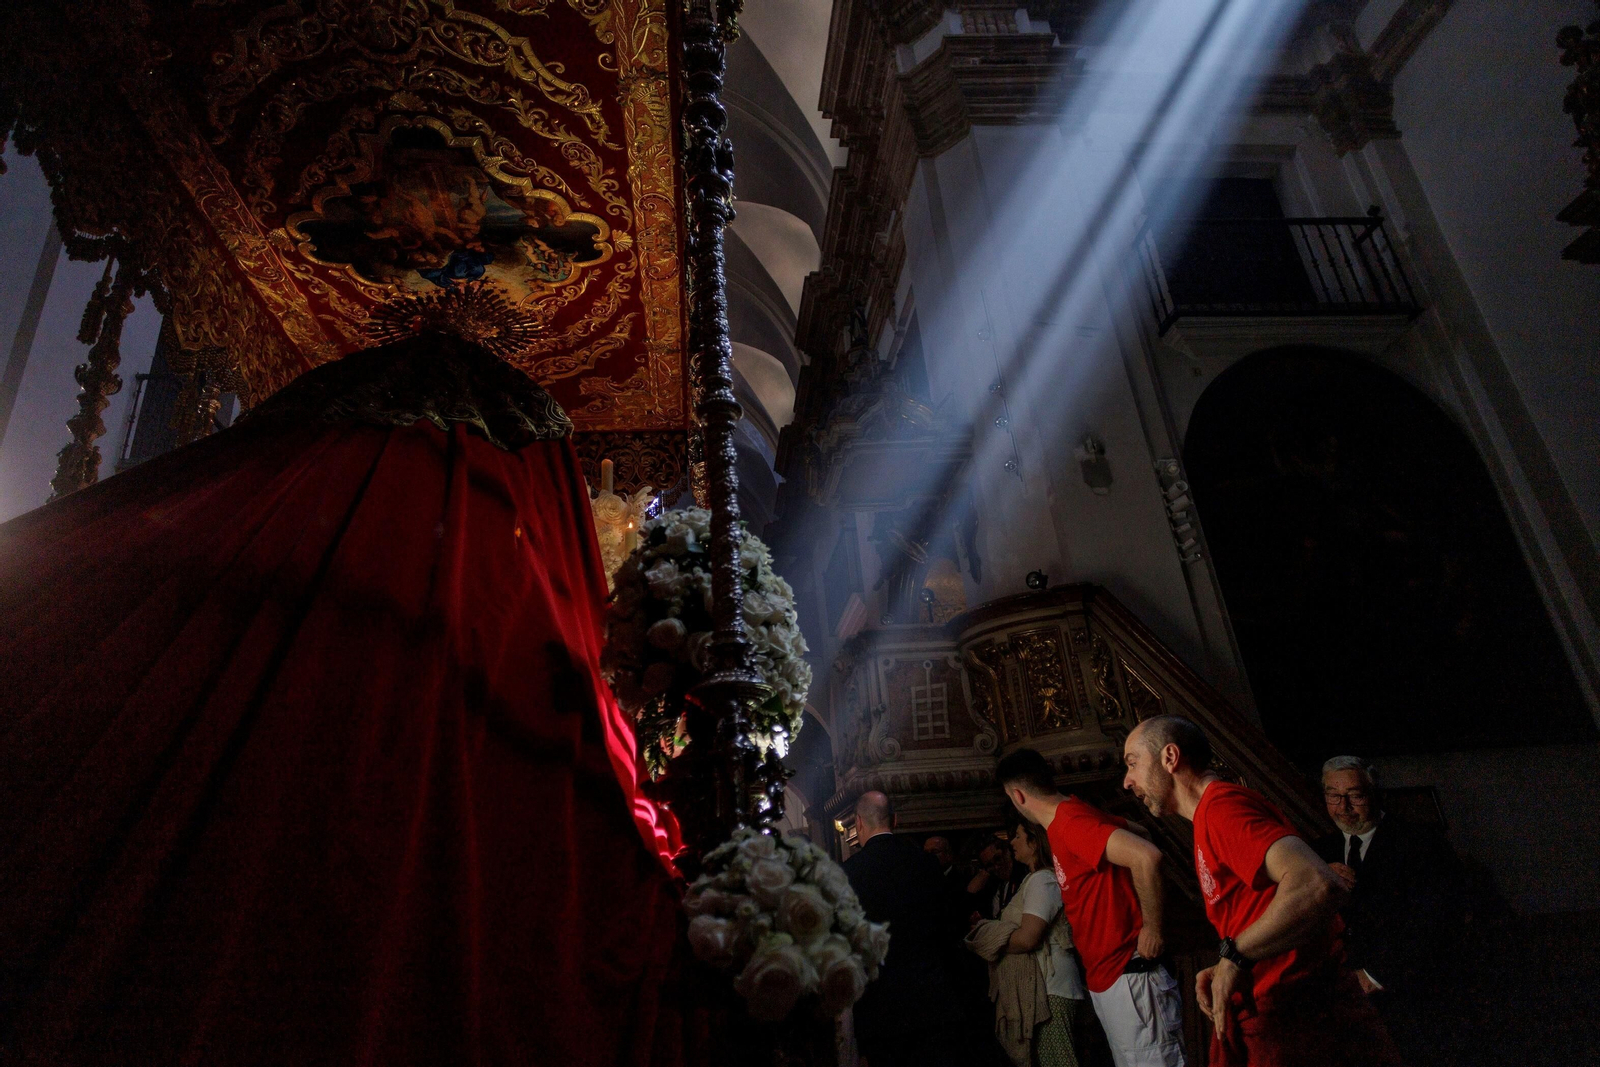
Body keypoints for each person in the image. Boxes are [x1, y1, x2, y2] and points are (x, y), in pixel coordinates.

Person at [1122, 716, 1399, 1067]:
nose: (1127, 780)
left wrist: (1236, 956)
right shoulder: (1209, 816)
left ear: (1170, 757)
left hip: (1302, 1022)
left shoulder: (1223, 809)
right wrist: (1230, 959)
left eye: (1133, 763)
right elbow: (1256, 910)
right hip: (1282, 1016)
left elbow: (1317, 884)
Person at [998, 747, 1186, 1067]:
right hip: (1111, 979)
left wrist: (1152, 929)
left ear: (1017, 795)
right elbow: (1139, 832)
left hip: (1130, 975)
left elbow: (1146, 856)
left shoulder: (1071, 822)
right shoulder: (1071, 814)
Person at [1313, 755, 1467, 1067]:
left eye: (1354, 796)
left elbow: (1436, 919)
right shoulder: (1318, 852)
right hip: (1344, 1002)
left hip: (1412, 996)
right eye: (1333, 795)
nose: (1343, 808)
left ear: (1373, 794)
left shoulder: (1420, 842)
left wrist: (1374, 975)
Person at [844, 792, 979, 1067]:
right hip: (932, 1002)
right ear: (895, 819)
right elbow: (949, 925)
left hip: (879, 1010)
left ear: (858, 823)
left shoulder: (848, 873)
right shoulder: (926, 864)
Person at [1002, 820, 1091, 1067]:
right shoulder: (1035, 879)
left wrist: (993, 940)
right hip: (1046, 988)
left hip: (1051, 989)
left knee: (1058, 1061)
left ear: (1035, 841)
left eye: (1019, 836)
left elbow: (1029, 936)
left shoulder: (1043, 880)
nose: (1012, 842)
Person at [969, 835, 1028, 920]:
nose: (996, 867)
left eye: (997, 859)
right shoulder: (992, 886)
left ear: (1007, 852)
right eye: (990, 865)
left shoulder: (1024, 876)